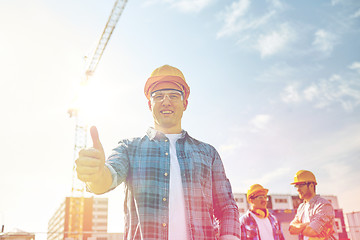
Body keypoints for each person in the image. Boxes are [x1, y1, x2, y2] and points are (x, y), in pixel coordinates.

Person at [75, 64, 240, 240]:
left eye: (174, 96)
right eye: (158, 96)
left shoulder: (208, 154)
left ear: (185, 103)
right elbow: (107, 178)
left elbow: (227, 206)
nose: (166, 101)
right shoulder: (129, 148)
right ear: (149, 104)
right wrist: (96, 174)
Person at [288, 170, 336, 240]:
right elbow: (292, 229)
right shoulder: (301, 208)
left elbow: (312, 231)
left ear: (311, 185)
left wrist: (299, 228)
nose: (297, 189)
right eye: (296, 186)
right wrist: (308, 224)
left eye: (301, 185)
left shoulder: (323, 205)